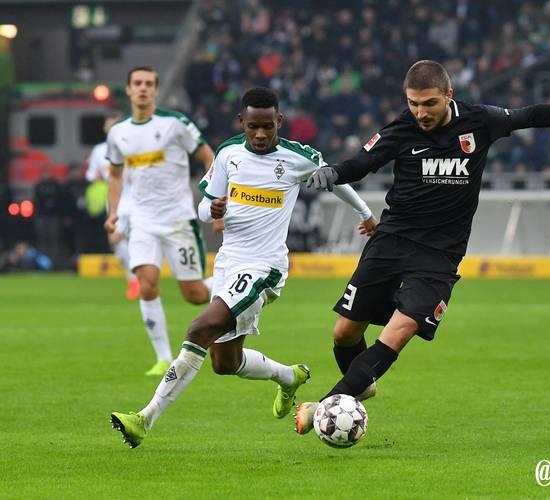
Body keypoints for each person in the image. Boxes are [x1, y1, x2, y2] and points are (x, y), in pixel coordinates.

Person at [293, 59, 550, 434]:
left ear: (449, 95)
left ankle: (325, 407)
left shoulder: (479, 121)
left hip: (439, 256)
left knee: (400, 330)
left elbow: (531, 115)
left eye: (429, 103)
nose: (421, 113)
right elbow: (363, 161)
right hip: (391, 241)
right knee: (344, 333)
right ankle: (360, 383)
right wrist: (334, 172)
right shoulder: (403, 128)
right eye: (413, 103)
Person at [110, 87, 377, 448]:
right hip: (228, 264)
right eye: (253, 127)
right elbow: (204, 207)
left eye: (268, 126)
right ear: (242, 122)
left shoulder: (297, 157)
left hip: (264, 268)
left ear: (279, 121)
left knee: (200, 328)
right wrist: (212, 210)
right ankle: (289, 377)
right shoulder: (228, 153)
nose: (261, 134)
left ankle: (144, 418)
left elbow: (335, 179)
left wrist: (365, 214)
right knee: (224, 362)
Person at [104, 66, 216, 376]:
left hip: (178, 220)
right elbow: (115, 175)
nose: (143, 88)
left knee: (194, 295)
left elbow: (209, 157)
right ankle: (164, 358)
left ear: (155, 89)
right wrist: (113, 213)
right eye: (137, 83)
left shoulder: (175, 123)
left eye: (148, 84)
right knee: (146, 283)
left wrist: (212, 195)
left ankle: (229, 285)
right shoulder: (118, 132)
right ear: (129, 90)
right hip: (142, 221)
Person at [86, 111, 140, 300]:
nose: (113, 129)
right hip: (115, 202)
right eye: (110, 125)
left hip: (135, 201)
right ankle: (135, 278)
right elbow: (92, 175)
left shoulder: (133, 147)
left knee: (130, 240)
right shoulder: (99, 151)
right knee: (116, 241)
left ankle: (137, 278)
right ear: (105, 128)